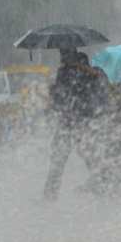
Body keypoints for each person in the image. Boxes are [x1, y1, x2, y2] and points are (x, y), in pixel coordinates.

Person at [43, 50, 105, 201]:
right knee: (89, 155)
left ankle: (50, 194)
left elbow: (59, 100)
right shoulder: (93, 74)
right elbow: (98, 96)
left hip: (67, 121)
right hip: (84, 120)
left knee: (58, 159)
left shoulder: (64, 73)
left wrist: (52, 90)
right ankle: (101, 185)